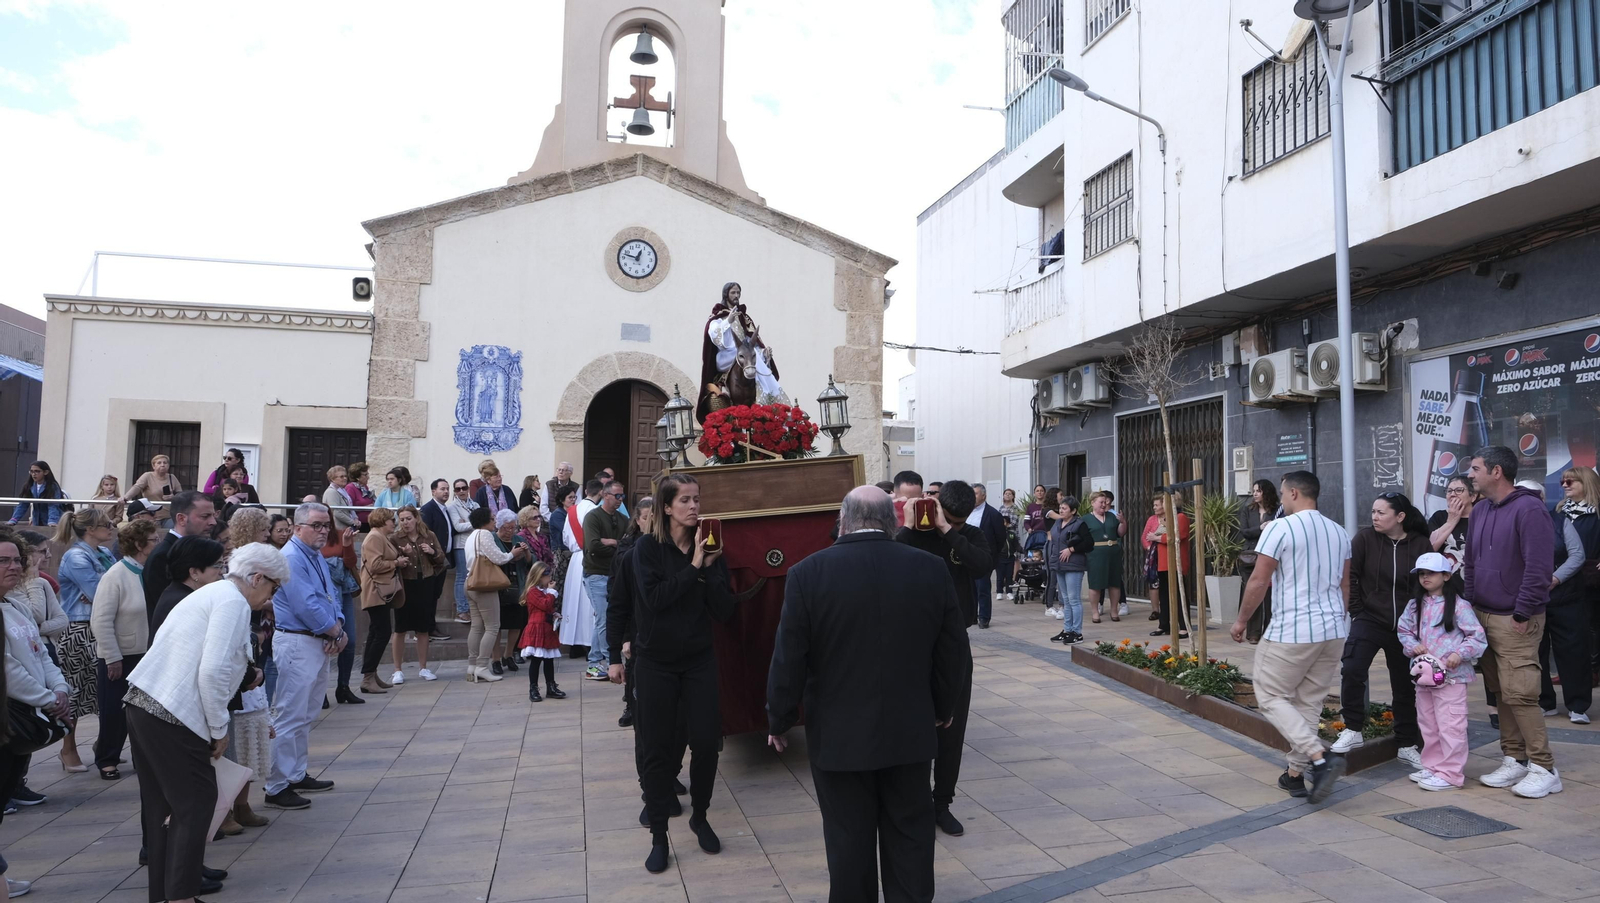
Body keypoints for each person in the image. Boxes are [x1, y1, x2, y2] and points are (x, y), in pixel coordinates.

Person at [767, 486, 967, 903]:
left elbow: (789, 656)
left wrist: (779, 718)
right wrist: (943, 706)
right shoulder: (929, 568)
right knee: (911, 836)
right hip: (909, 731)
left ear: (843, 519)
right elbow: (951, 652)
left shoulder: (808, 573)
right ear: (893, 521)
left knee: (848, 843)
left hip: (839, 738)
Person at [126, 541, 286, 903]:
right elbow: (212, 671)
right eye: (273, 587)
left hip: (146, 705)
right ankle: (180, 897)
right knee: (196, 803)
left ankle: (167, 895)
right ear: (257, 577)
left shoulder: (216, 593)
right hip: (169, 712)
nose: (271, 596)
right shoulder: (230, 600)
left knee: (164, 807)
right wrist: (218, 731)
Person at [631, 474, 736, 872]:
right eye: (686, 500)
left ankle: (701, 816)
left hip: (698, 660)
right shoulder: (647, 549)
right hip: (655, 662)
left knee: (708, 743)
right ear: (667, 507)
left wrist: (708, 569)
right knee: (657, 749)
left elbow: (724, 612)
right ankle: (659, 835)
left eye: (697, 499)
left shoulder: (710, 549)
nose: (694, 507)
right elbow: (656, 600)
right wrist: (694, 566)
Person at [1230, 471, 1351, 804]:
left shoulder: (1279, 528)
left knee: (1269, 694)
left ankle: (1320, 758)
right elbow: (1345, 587)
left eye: (1282, 493)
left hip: (1293, 629)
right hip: (1332, 630)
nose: (1280, 499)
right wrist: (1337, 621)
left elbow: (1259, 579)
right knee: (1309, 704)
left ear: (1294, 493)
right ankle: (1295, 775)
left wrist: (1242, 620)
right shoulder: (1340, 532)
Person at [894, 479, 992, 837]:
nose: (955, 524)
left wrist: (950, 530)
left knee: (953, 728)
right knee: (918, 727)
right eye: (949, 516)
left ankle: (942, 803)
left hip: (953, 644)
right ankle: (917, 801)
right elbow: (888, 555)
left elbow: (982, 565)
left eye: (961, 520)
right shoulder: (915, 532)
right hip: (913, 644)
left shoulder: (965, 535)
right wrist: (911, 524)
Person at [1463, 446, 1561, 798]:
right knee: (1500, 691)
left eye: (1475, 469)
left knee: (1521, 693)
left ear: (1496, 472)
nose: (1470, 475)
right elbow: (1470, 563)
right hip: (1483, 615)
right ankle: (1514, 759)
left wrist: (1522, 612)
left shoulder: (1530, 509)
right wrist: (1470, 609)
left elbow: (1539, 568)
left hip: (1516, 618)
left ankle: (1544, 767)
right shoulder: (1481, 510)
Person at [1332, 491, 1432, 770]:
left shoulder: (1421, 544)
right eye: (1373, 512)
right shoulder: (1365, 539)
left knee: (1404, 684)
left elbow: (1430, 583)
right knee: (1352, 667)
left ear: (1399, 517)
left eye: (1381, 512)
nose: (1374, 517)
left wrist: (1419, 620)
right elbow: (1349, 575)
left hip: (1406, 625)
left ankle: (1406, 743)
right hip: (1369, 620)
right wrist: (1357, 612)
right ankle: (1352, 728)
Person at [0, 527, 69, 899]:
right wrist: (47, 698)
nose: (13, 566)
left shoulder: (17, 606)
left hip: (22, 718)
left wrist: (59, 689)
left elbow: (42, 655)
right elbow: (8, 670)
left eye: (16, 559)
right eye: (3, 560)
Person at [264, 503, 348, 810]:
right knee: (288, 715)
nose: (324, 530)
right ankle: (275, 785)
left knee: (307, 714)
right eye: (317, 525)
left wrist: (335, 628)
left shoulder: (313, 554)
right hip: (297, 643)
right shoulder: (290, 557)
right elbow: (305, 605)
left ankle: (295, 773)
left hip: (316, 640)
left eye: (326, 525)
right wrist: (334, 632)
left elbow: (330, 596)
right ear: (297, 527)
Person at [1398, 552, 1487, 791]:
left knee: (1451, 725)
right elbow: (1404, 631)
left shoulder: (1459, 605)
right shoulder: (1414, 605)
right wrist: (1411, 646)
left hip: (1452, 679)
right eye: (1422, 574)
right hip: (1424, 678)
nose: (1425, 578)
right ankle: (1433, 766)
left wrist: (1460, 654)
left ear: (1447, 576)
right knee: (1428, 723)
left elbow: (1477, 637)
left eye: (1431, 573)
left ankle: (1450, 774)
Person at [91, 519, 159, 780]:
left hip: (146, 653)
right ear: (140, 545)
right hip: (121, 655)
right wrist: (112, 657)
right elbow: (101, 620)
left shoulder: (149, 571)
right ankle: (107, 759)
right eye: (153, 540)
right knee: (114, 711)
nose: (157, 544)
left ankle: (142, 758)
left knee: (143, 712)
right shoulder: (116, 575)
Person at [53, 508, 119, 772]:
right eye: (106, 523)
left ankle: (102, 744)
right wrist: (105, 588)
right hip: (79, 629)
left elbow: (120, 585)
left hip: (102, 626)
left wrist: (106, 589)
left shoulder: (102, 553)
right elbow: (100, 591)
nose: (111, 526)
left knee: (105, 690)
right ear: (90, 529)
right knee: (77, 691)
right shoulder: (76, 556)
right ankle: (68, 748)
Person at [1542, 465, 1599, 724]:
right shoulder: (1557, 513)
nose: (1564, 485)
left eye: (1571, 481)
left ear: (1586, 483)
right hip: (1560, 586)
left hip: (1591, 584)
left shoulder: (1597, 514)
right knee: (1547, 646)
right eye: (1563, 481)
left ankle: (1578, 702)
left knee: (1579, 644)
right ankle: (1549, 701)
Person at [607, 496, 653, 725]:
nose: (651, 523)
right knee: (630, 661)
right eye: (646, 519)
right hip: (630, 613)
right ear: (638, 520)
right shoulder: (628, 544)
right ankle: (630, 705)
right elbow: (617, 590)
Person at [389, 505, 447, 685]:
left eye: (408, 518)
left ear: (416, 518)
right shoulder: (395, 538)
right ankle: (397, 670)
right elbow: (391, 560)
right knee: (400, 627)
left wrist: (432, 552)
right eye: (402, 519)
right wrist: (402, 555)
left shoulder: (429, 535)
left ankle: (423, 667)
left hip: (426, 582)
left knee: (423, 628)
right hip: (406, 583)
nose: (405, 523)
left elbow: (441, 558)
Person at [142, 491, 218, 620]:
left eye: (213, 515)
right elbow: (167, 609)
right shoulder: (162, 555)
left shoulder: (198, 549)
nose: (213, 522)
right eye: (205, 516)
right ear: (181, 519)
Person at [582, 479, 628, 680]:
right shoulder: (593, 517)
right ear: (605, 495)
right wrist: (612, 544)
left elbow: (628, 543)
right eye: (617, 496)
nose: (620, 499)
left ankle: (593, 662)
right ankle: (611, 662)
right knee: (604, 618)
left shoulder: (622, 518)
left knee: (603, 619)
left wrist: (613, 542)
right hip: (596, 573)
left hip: (614, 573)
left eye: (622, 496)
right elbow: (593, 546)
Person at [463, 508, 514, 682]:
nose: (495, 522)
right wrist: (512, 554)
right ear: (485, 520)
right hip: (483, 585)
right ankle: (483, 666)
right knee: (492, 626)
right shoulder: (484, 535)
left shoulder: (471, 536)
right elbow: (498, 558)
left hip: (470, 582)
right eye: (492, 519)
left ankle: (472, 666)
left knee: (476, 626)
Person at [356, 508, 399, 695]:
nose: (394, 523)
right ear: (382, 520)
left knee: (377, 632)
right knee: (381, 633)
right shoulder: (374, 537)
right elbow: (375, 565)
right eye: (391, 520)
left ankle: (371, 674)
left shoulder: (380, 537)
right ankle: (367, 677)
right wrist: (396, 563)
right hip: (376, 590)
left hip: (381, 590)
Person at [149, 536, 227, 636]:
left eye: (223, 565)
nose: (222, 572)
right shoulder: (183, 602)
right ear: (194, 572)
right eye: (217, 565)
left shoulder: (178, 593)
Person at [1143, 494, 1192, 639]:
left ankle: (1184, 627)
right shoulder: (1166, 518)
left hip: (1176, 561)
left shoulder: (1181, 517)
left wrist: (1156, 538)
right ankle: (1164, 624)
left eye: (1163, 502)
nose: (1161, 505)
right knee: (1164, 595)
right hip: (1163, 561)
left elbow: (1176, 536)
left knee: (1179, 594)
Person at [557, 485, 596, 659]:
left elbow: (566, 537)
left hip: (576, 559)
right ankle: (591, 646)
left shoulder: (572, 511)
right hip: (592, 558)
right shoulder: (597, 510)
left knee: (574, 602)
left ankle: (574, 644)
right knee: (590, 603)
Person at [491, 509, 532, 674]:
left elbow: (531, 562)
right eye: (507, 528)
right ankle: (495, 659)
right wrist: (510, 555)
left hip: (518, 586)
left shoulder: (519, 539)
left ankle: (508, 655)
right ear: (499, 526)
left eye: (513, 528)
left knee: (516, 623)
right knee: (497, 626)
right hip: (498, 587)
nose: (510, 531)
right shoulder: (492, 539)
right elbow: (492, 560)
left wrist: (526, 552)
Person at [1048, 496, 1093, 645]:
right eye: (1060, 507)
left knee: (1074, 600)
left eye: (1064, 508)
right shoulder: (1057, 523)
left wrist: (1071, 549)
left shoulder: (1079, 524)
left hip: (1073, 565)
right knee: (1065, 600)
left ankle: (1077, 632)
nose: (1061, 510)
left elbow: (1089, 543)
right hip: (1059, 565)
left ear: (1073, 511)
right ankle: (1067, 630)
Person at [518, 563, 566, 702]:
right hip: (537, 628)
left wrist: (554, 614)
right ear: (540, 577)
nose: (550, 579)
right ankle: (533, 688)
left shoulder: (543, 591)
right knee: (536, 660)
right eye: (548, 576)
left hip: (546, 627)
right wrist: (551, 592)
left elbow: (547, 609)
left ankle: (551, 686)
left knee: (549, 660)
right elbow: (544, 605)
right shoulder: (532, 591)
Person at [1239, 479, 1280, 642]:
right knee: (1253, 593)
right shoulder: (1247, 510)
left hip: (1269, 556)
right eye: (1254, 491)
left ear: (1266, 492)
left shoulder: (1277, 510)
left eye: (1258, 491)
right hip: (1250, 555)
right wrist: (1260, 528)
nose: (1255, 494)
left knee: (1270, 596)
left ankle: (1269, 631)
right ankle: (1253, 633)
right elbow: (1244, 531)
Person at [969, 484, 1008, 629]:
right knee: (969, 588)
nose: (973, 497)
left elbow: (1000, 538)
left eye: (976, 494)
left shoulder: (993, 514)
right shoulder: (965, 512)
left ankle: (984, 617)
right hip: (966, 555)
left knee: (982, 588)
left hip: (983, 556)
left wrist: (991, 556)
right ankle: (971, 615)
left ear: (984, 496)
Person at [1084, 491, 1125, 624]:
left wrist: (1123, 522)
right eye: (1101, 502)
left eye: (1105, 502)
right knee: (1095, 583)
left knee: (1115, 583)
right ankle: (1095, 612)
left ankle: (1114, 610)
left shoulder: (1112, 517)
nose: (1104, 505)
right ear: (1093, 503)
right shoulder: (1085, 519)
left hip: (1113, 553)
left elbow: (1120, 533)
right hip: (1095, 555)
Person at [1428, 474, 1478, 571]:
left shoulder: (1481, 518)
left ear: (1473, 496)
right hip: (1446, 579)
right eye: (1449, 491)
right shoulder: (1438, 517)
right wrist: (1451, 522)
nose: (1452, 494)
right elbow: (1429, 549)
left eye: (1459, 490)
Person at [8, 460, 68, 527]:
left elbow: (53, 505)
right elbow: (23, 504)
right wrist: (13, 520)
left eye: (37, 471)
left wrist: (52, 521)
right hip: (37, 521)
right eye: (32, 471)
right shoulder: (29, 486)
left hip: (52, 522)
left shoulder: (52, 486)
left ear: (45, 472)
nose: (34, 474)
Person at [996, 488, 1021, 602]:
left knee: (1013, 560)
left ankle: (1011, 585)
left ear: (1013, 496)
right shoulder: (1001, 508)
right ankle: (999, 590)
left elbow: (1014, 522)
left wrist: (1006, 525)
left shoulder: (1015, 508)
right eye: (1005, 493)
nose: (1007, 495)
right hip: (1002, 535)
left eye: (1010, 494)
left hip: (1012, 535)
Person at [323, 466, 360, 534]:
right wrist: (352, 522)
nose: (345, 478)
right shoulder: (331, 492)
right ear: (332, 479)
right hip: (338, 529)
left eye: (345, 476)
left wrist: (356, 518)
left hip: (346, 529)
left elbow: (350, 507)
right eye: (341, 477)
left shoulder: (342, 490)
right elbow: (336, 512)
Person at [342, 462, 376, 529]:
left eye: (367, 474)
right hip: (358, 524)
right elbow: (348, 507)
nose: (368, 477)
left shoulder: (364, 487)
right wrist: (365, 507)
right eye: (365, 475)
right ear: (357, 477)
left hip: (369, 522)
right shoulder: (350, 488)